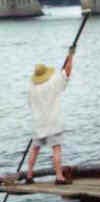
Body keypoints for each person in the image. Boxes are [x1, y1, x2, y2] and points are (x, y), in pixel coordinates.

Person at [26, 47, 76, 185]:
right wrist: (71, 57)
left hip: (38, 123)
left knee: (34, 149)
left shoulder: (31, 87)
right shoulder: (53, 83)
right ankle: (59, 177)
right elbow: (67, 73)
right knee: (56, 148)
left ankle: (29, 176)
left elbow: (29, 104)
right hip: (52, 122)